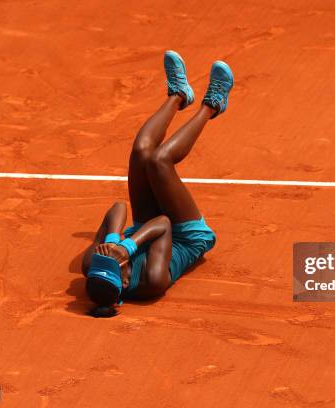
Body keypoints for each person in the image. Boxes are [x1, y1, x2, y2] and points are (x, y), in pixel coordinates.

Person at [80, 50, 233, 317]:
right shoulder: (152, 281)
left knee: (141, 152)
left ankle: (178, 95)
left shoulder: (93, 265)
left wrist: (114, 240)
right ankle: (213, 105)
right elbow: (163, 223)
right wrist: (126, 247)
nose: (109, 257)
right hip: (184, 238)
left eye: (102, 258)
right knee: (160, 160)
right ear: (125, 283)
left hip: (145, 229)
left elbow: (117, 208)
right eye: (117, 265)